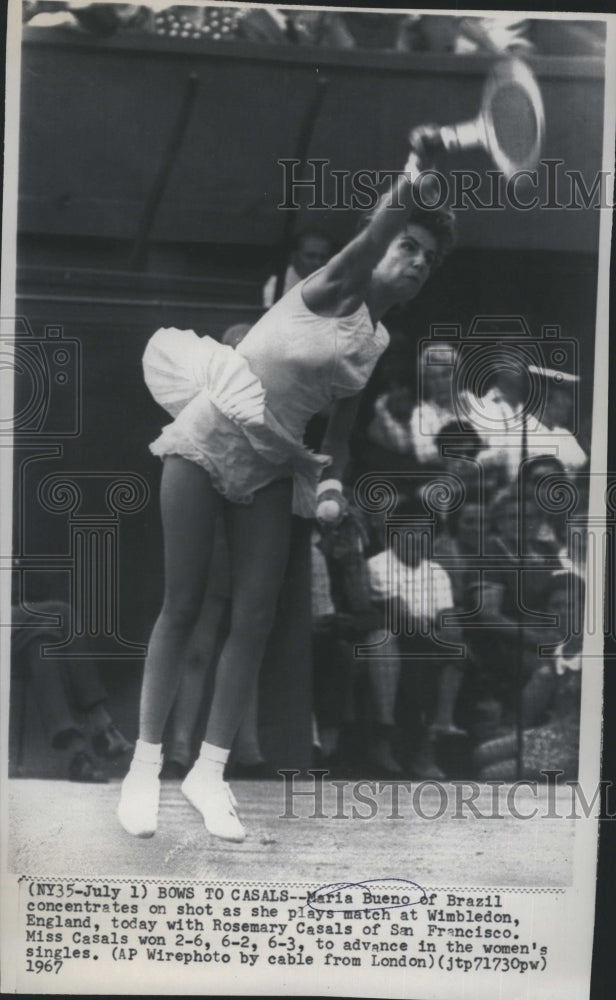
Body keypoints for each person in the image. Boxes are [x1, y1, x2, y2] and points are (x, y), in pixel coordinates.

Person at [118, 126, 456, 842]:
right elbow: (376, 231)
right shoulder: (335, 283)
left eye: (428, 257)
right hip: (210, 435)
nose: (416, 261)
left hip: (274, 461)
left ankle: (208, 774)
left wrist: (331, 489)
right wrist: (417, 169)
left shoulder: (378, 342)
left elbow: (334, 440)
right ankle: (145, 768)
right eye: (409, 247)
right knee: (181, 607)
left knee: (258, 618)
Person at [262, 230, 335, 308]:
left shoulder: (334, 281)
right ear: (293, 257)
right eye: (310, 256)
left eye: (323, 257)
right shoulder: (278, 284)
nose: (317, 262)